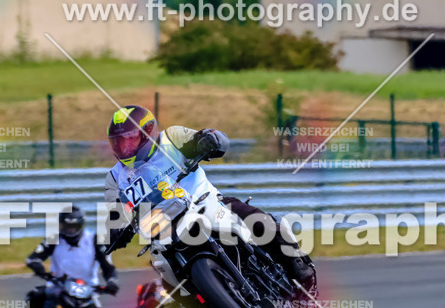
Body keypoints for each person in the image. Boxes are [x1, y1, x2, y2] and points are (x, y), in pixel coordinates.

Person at [101, 104, 315, 286]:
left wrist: (208, 140)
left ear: (148, 132)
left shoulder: (171, 138)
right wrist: (115, 232)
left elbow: (212, 137)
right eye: (119, 142)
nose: (125, 147)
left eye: (130, 139)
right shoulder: (115, 177)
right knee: (167, 279)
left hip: (204, 201)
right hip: (163, 230)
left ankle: (303, 273)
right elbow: (115, 212)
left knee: (261, 223)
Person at [25, 206, 120, 308]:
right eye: (66, 226)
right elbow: (35, 257)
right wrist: (38, 266)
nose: (70, 230)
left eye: (73, 226)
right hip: (58, 285)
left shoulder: (94, 240)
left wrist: (112, 281)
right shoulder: (53, 239)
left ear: (80, 225)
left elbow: (108, 266)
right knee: (34, 296)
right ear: (60, 225)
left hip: (87, 289)